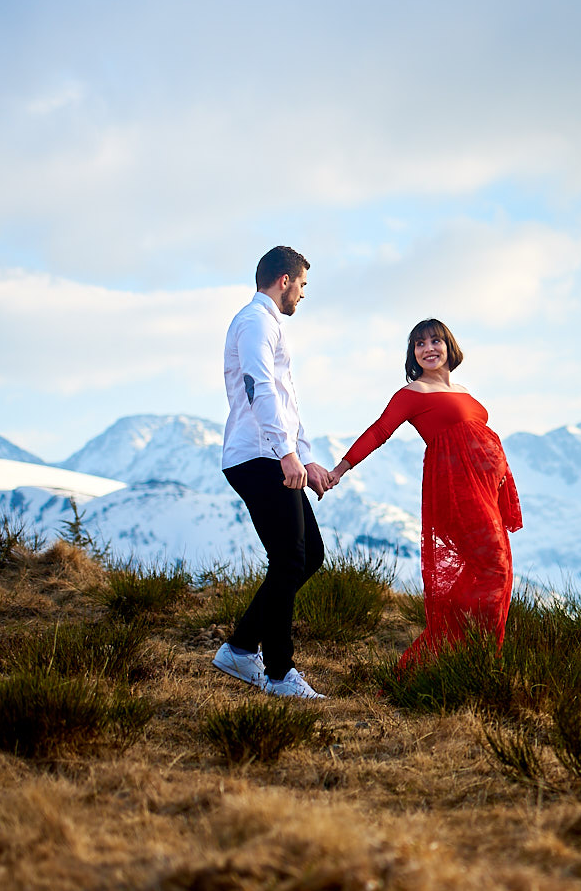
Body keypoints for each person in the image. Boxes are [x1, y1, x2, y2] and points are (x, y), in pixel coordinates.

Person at [327, 319, 522, 670]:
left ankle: (455, 657)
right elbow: (379, 431)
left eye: (435, 340)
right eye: (419, 344)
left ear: (449, 346)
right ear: (412, 354)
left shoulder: (464, 391)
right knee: (495, 568)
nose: (428, 348)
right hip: (456, 492)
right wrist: (341, 469)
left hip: (484, 492)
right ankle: (468, 659)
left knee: (490, 571)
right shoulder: (412, 393)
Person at [210, 245, 333, 699]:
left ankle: (241, 648)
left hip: (274, 454)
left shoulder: (268, 324)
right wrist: (285, 455)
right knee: (289, 560)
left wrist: (304, 456)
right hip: (257, 456)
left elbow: (284, 400)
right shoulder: (256, 321)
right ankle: (280, 674)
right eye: (301, 285)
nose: (302, 295)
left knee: (309, 555)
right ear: (285, 280)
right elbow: (258, 388)